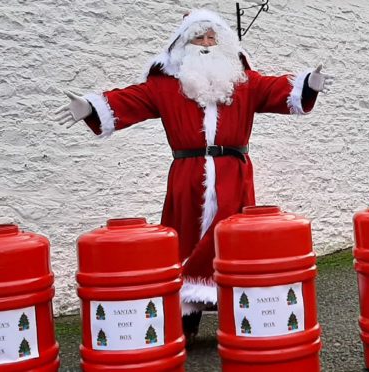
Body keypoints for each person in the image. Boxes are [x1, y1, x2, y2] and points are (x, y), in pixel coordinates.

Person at [53, 9, 333, 342]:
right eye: (198, 37)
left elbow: (278, 90)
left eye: (212, 37)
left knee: (233, 245)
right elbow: (130, 99)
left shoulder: (244, 81)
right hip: (187, 177)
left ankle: (238, 316)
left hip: (235, 176)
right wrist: (91, 106)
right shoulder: (165, 86)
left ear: (223, 42)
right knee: (183, 240)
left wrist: (308, 85)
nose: (206, 44)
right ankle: (184, 322)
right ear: (183, 43)